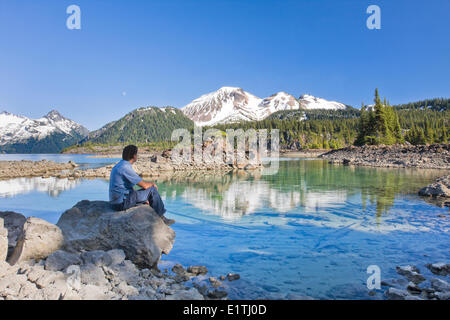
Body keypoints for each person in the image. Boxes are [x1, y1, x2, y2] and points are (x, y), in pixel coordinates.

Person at [109, 145, 175, 226]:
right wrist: (152, 184)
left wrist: (143, 198)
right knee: (152, 190)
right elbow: (144, 186)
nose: (137, 156)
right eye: (137, 154)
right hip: (121, 204)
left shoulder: (119, 165)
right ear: (134, 155)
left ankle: (149, 207)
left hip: (115, 202)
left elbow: (128, 187)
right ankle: (161, 218)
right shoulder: (125, 167)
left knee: (144, 196)